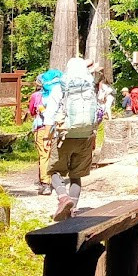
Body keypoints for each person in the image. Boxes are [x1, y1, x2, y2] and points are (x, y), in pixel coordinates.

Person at [44, 57, 103, 221]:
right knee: (76, 174)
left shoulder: (61, 87)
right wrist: (93, 136)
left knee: (54, 170)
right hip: (85, 135)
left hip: (65, 135)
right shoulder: (91, 88)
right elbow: (98, 113)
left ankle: (63, 198)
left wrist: (47, 137)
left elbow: (50, 114)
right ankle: (73, 209)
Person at [30, 72, 59, 196]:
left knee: (43, 155)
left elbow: (32, 111)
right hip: (58, 128)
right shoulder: (60, 93)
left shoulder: (37, 96)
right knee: (54, 154)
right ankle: (55, 180)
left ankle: (45, 184)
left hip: (42, 128)